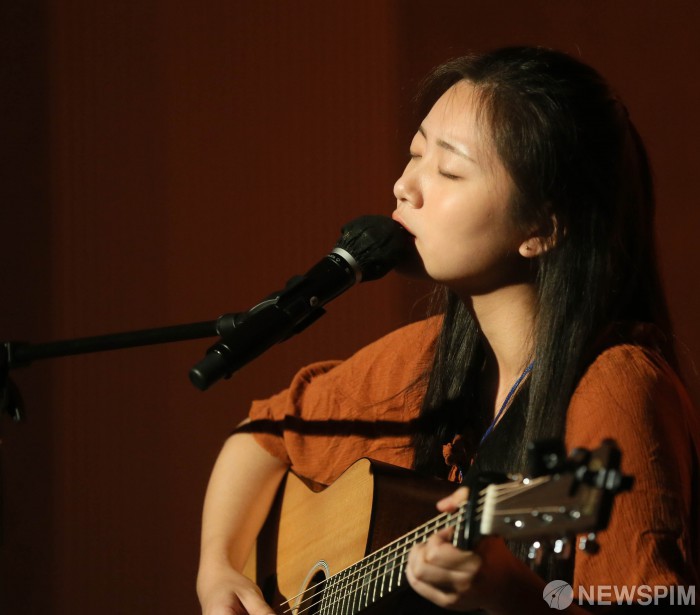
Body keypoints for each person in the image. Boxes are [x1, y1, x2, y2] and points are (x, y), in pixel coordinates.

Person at [196, 46, 700, 614]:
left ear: (542, 227)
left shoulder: (617, 389)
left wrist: (513, 593)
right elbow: (263, 432)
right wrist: (217, 570)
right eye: (416, 154)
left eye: (449, 170)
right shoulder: (426, 353)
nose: (403, 186)